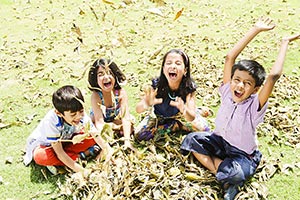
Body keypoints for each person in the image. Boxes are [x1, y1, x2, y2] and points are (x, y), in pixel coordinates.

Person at [180, 18, 300, 200]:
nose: (240, 86)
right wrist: (255, 29)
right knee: (191, 140)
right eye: (237, 80)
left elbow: (273, 76)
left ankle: (230, 177)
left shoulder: (254, 106)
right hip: (219, 142)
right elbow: (230, 57)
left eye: (247, 83)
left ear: (255, 89)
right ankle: (222, 175)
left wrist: (285, 42)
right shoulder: (227, 91)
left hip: (242, 154)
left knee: (237, 173)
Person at [23, 85, 112, 174]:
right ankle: (80, 156)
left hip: (67, 140)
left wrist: (109, 152)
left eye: (81, 111)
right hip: (49, 147)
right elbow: (60, 153)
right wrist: (83, 171)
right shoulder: (51, 121)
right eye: (73, 115)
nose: (79, 116)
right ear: (59, 113)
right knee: (40, 156)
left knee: (91, 137)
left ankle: (71, 160)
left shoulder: (81, 114)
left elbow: (95, 134)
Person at [135, 49, 210, 141]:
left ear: (185, 70)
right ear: (163, 69)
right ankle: (175, 126)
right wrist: (146, 103)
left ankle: (182, 121)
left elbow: (191, 117)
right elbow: (138, 109)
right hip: (160, 119)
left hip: (181, 116)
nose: (173, 66)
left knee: (205, 130)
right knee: (140, 135)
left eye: (178, 63)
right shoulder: (156, 86)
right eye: (169, 63)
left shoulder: (188, 88)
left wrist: (184, 110)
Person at [88, 58, 134, 150]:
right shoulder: (96, 96)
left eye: (109, 73)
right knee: (92, 133)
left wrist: (127, 141)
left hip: (112, 120)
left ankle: (117, 131)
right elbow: (99, 122)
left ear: (115, 76)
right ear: (95, 79)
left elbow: (125, 117)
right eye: (100, 74)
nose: (106, 77)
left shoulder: (120, 93)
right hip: (99, 124)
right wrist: (106, 146)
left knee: (131, 122)